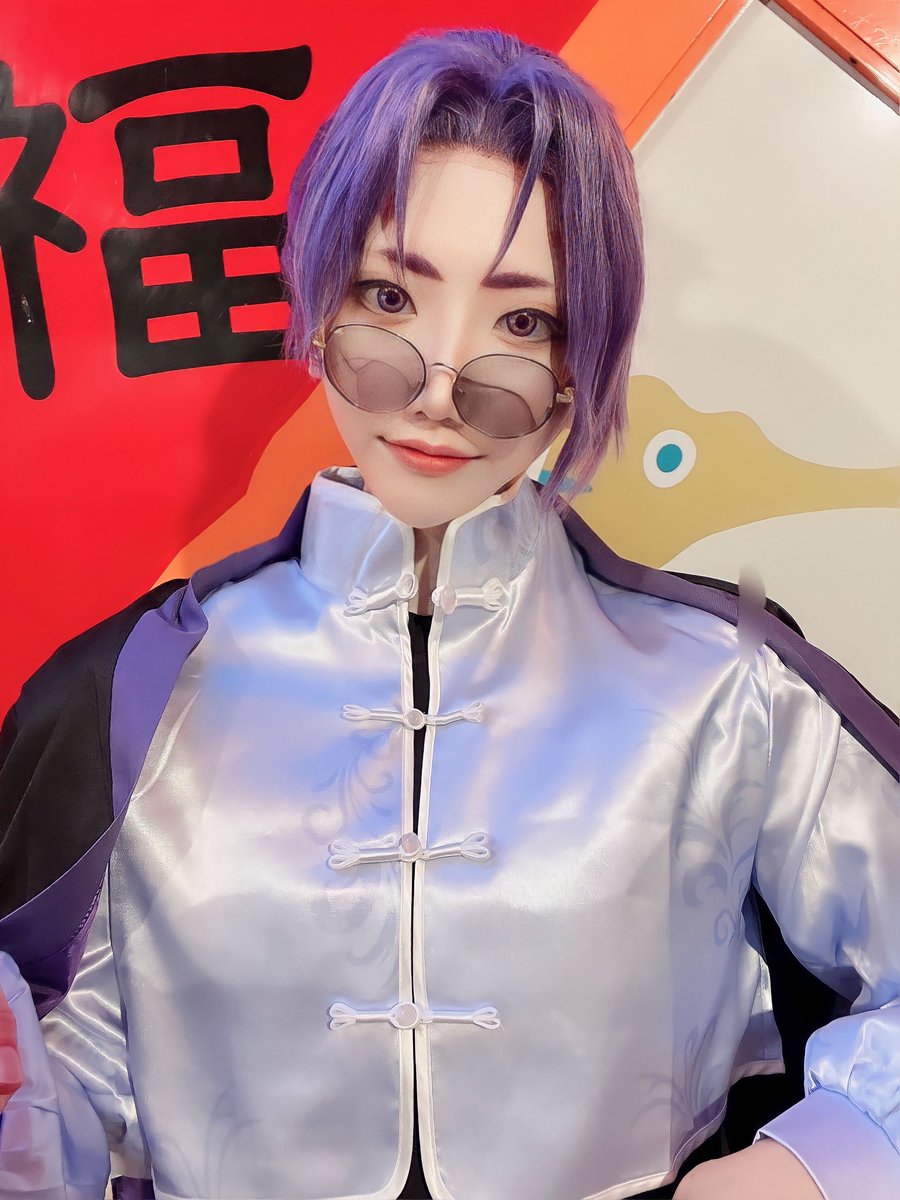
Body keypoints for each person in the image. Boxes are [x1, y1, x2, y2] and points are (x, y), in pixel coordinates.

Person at [0, 26, 898, 1200]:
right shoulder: (133, 692)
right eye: (390, 296)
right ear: (319, 299)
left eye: (521, 324)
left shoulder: (728, 688)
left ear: (581, 361)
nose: (438, 386)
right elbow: (77, 1094)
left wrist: (808, 1166)